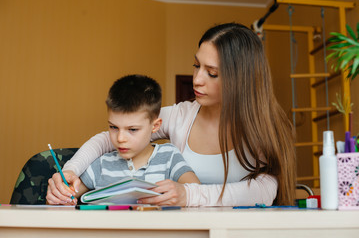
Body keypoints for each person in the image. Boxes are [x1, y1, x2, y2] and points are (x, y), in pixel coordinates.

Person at [48, 22, 296, 206]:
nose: (197, 80)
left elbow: (265, 191)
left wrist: (189, 195)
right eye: (197, 66)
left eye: (212, 73)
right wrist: (70, 172)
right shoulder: (180, 116)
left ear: (242, 79)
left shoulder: (269, 128)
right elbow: (108, 138)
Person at [46, 75, 200, 205]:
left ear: (155, 126)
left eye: (132, 130)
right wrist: (59, 196)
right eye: (113, 127)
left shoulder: (169, 156)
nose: (120, 139)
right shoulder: (101, 164)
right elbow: (64, 198)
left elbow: (195, 190)